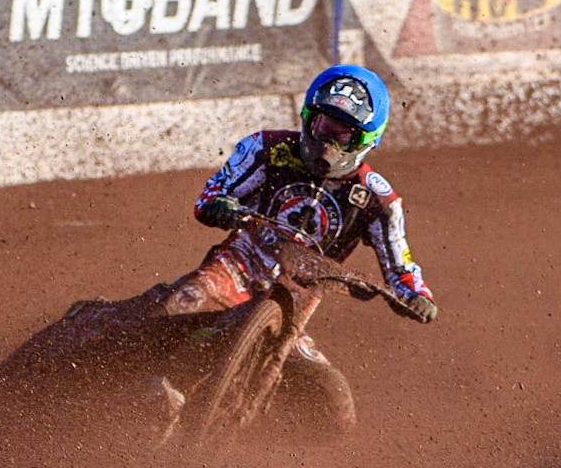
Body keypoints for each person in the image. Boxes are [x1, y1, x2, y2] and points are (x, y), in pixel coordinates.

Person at [165, 63, 437, 324]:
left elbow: (400, 269)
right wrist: (219, 205)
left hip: (296, 298)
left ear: (366, 141)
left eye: (342, 136)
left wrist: (417, 296)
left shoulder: (377, 198)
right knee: (184, 303)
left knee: (321, 375)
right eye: (323, 128)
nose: (327, 144)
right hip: (239, 264)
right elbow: (212, 195)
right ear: (308, 119)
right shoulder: (268, 149)